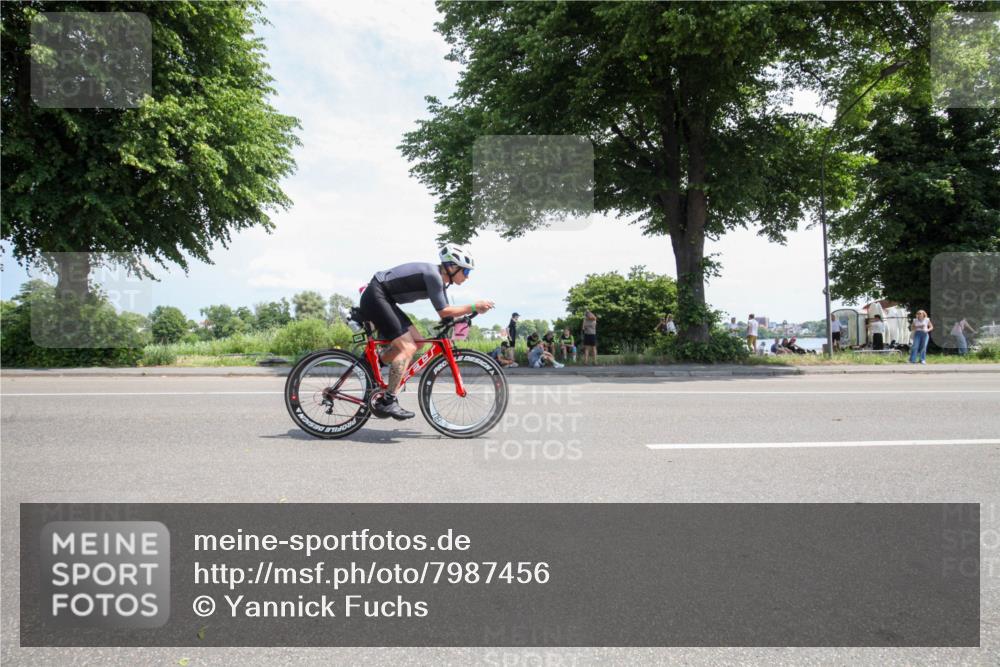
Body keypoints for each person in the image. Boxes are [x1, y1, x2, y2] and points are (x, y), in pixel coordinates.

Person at [357, 244, 493, 419]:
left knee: (419, 343)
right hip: (376, 296)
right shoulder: (433, 276)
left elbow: (447, 315)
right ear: (452, 267)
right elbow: (444, 311)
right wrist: (474, 306)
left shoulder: (440, 282)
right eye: (466, 272)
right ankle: (388, 401)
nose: (467, 277)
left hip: (385, 299)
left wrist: (461, 319)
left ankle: (371, 365)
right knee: (408, 348)